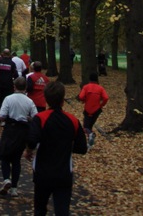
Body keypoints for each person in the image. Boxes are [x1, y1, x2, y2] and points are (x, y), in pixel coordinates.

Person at [24, 81, 88, 216]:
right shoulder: (73, 120)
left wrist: (29, 150)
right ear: (63, 100)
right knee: (62, 210)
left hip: (42, 171)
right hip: (63, 172)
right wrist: (66, 146)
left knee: (40, 208)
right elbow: (82, 148)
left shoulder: (40, 118)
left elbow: (32, 140)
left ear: (46, 99)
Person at [0, 76, 37, 198]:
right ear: (25, 88)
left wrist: (0, 119)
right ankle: (14, 188)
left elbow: (2, 115)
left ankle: (6, 178)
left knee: (4, 156)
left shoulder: (8, 99)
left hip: (10, 129)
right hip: (23, 131)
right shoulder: (29, 101)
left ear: (14, 86)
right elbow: (35, 117)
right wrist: (28, 118)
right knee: (16, 159)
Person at [77, 72, 109, 147]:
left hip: (88, 110)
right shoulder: (100, 88)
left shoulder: (86, 87)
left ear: (89, 79)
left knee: (85, 127)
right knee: (90, 125)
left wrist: (84, 100)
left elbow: (81, 97)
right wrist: (101, 105)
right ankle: (90, 141)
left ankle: (91, 135)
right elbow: (106, 98)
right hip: (97, 110)